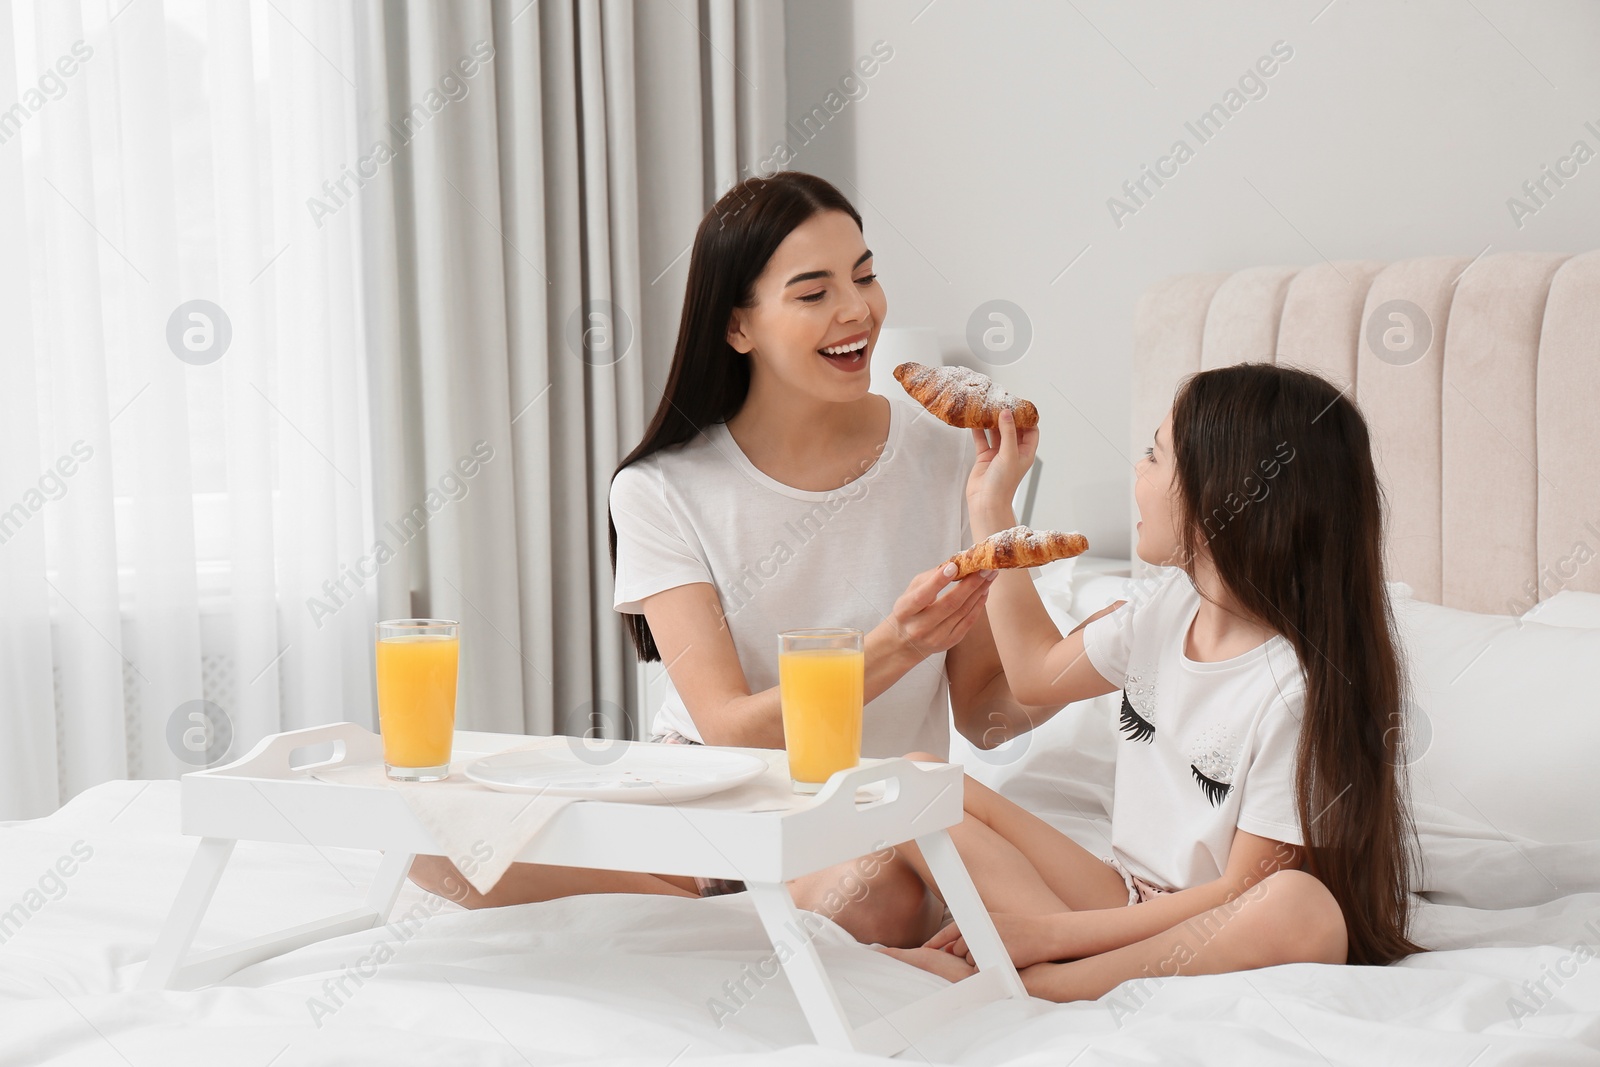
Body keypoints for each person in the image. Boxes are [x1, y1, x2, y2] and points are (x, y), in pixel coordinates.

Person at [408, 172, 1055, 947]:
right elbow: (728, 730)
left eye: (866, 275)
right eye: (812, 292)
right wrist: (902, 643)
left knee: (874, 899)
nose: (858, 310)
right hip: (709, 807)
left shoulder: (948, 455)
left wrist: (1075, 632)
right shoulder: (659, 489)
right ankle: (710, 915)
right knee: (435, 847)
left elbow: (986, 719)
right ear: (738, 327)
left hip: (854, 824)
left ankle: (699, 928)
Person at [876, 362, 1424, 998]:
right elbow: (1031, 675)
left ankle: (1041, 982)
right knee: (907, 779)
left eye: (1154, 456)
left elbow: (1242, 892)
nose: (1137, 471)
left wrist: (1050, 935)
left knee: (1300, 904)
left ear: (1225, 493)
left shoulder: (1295, 691)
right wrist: (990, 505)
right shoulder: (1161, 607)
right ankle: (1037, 971)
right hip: (1124, 898)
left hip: (1211, 925)